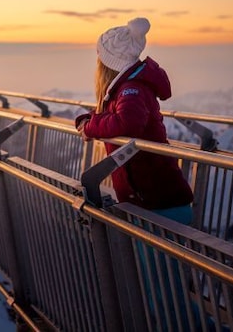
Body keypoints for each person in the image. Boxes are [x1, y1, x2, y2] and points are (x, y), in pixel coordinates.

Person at [75, 17, 194, 224]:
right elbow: (118, 115)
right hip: (151, 201)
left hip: (158, 204)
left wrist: (92, 127)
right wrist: (90, 120)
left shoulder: (132, 89)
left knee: (151, 258)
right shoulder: (126, 88)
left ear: (108, 64)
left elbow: (128, 122)